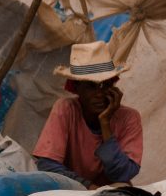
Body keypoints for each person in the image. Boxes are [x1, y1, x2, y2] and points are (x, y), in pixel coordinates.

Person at [32, 41, 143, 188]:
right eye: (91, 86)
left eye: (106, 85)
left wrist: (105, 123)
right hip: (70, 190)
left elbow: (123, 174)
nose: (99, 94)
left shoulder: (129, 117)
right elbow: (47, 165)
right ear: (77, 87)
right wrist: (88, 186)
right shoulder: (66, 109)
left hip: (111, 195)